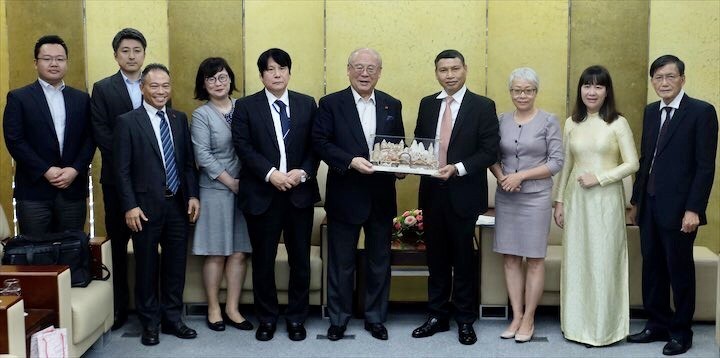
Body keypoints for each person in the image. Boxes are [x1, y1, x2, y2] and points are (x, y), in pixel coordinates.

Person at [626, 55, 718, 356]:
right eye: (658, 78)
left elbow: (705, 167)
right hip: (650, 205)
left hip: (681, 209)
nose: (663, 83)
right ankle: (657, 324)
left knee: (679, 270)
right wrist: (636, 201)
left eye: (670, 77)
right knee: (651, 267)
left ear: (682, 79)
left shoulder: (701, 112)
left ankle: (681, 331)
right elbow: (645, 160)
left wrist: (694, 209)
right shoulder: (651, 112)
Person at [313, 48, 404, 341]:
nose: (365, 74)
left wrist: (401, 164)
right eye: (359, 68)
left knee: (379, 261)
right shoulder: (330, 104)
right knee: (342, 262)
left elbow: (398, 144)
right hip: (345, 194)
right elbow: (321, 143)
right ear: (349, 70)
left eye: (371, 69)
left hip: (380, 196)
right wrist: (349, 161)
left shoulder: (392, 104)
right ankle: (339, 318)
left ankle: (375, 318)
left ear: (379, 72)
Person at [411, 49, 499, 345]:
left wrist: (458, 168)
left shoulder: (482, 106)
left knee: (463, 258)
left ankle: (464, 319)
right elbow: (420, 144)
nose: (449, 75)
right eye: (443, 70)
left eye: (454, 69)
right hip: (432, 192)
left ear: (465, 69)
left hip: (464, 191)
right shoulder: (427, 104)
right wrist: (406, 159)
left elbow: (489, 151)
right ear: (436, 73)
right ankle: (437, 315)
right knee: (435, 258)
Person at [232, 49, 320, 342]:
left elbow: (315, 146)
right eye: (270, 70)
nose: (277, 74)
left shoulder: (307, 104)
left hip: (299, 194)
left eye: (282, 68)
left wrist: (302, 173)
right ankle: (267, 318)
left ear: (289, 72)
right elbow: (243, 147)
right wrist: (272, 174)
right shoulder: (245, 107)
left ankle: (296, 318)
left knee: (300, 260)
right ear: (262, 75)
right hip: (262, 194)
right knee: (263, 260)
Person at [113, 64, 200, 346]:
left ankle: (173, 319)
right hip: (144, 208)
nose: (160, 91)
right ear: (142, 88)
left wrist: (193, 195)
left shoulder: (178, 118)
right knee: (146, 267)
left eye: (165, 86)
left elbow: (187, 164)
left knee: (176, 266)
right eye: (154, 86)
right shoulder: (127, 122)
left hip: (177, 205)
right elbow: (121, 170)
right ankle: (149, 323)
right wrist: (129, 206)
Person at [553, 65, 638, 347]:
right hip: (577, 202)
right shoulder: (571, 123)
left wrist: (600, 178)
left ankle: (604, 330)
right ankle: (576, 327)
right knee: (577, 262)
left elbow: (632, 163)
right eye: (587, 85)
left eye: (598, 86)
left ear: (606, 91)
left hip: (606, 203)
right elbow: (566, 166)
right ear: (580, 90)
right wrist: (559, 201)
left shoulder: (617, 123)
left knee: (604, 262)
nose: (592, 91)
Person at [489, 67, 563, 342]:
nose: (523, 95)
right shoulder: (500, 120)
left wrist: (521, 175)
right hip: (507, 197)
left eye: (528, 90)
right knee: (509, 258)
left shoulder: (549, 121)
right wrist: (503, 178)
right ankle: (516, 316)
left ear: (536, 92)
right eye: (517, 90)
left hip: (536, 197)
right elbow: (491, 155)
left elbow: (556, 162)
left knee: (534, 259)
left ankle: (529, 318)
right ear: (510, 92)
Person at [3, 34, 94, 235]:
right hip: (34, 191)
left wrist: (75, 169)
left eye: (60, 59)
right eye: (47, 59)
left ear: (66, 63)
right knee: (36, 255)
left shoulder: (81, 98)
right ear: (36, 63)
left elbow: (90, 139)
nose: (54, 64)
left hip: (72, 190)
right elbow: (15, 140)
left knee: (71, 251)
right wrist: (45, 170)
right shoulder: (19, 97)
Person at [90, 27, 147, 331]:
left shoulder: (155, 82)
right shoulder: (103, 88)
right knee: (118, 247)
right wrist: (132, 163)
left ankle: (148, 307)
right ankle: (119, 308)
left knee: (146, 247)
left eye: (136, 50)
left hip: (151, 185)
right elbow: (102, 133)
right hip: (116, 181)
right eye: (125, 50)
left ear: (144, 54)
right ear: (115, 55)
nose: (131, 56)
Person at [191, 57, 252, 333]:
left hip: (248, 189)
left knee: (239, 252)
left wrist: (246, 183)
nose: (219, 83)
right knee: (216, 253)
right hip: (216, 190)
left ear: (231, 80)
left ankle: (233, 308)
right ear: (203, 84)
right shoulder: (201, 115)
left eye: (223, 77)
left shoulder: (245, 107)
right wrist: (232, 183)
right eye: (212, 78)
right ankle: (214, 307)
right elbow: (202, 155)